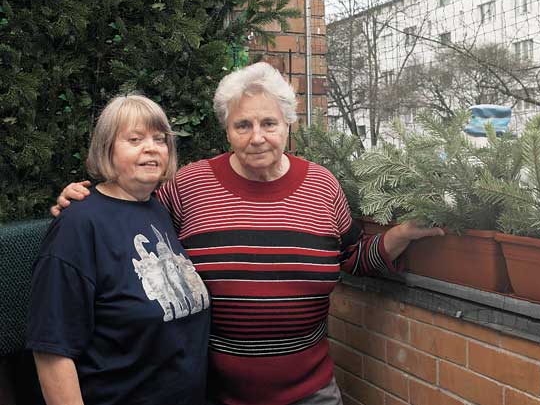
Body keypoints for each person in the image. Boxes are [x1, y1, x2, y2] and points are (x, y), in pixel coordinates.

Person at [53, 63, 445, 405]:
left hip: (310, 392)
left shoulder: (322, 186)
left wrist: (403, 234)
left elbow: (354, 257)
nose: (257, 136)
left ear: (288, 125)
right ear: (227, 130)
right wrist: (82, 197)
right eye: (243, 125)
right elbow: (129, 212)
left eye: (269, 123)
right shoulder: (188, 186)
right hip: (213, 392)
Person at [29, 95, 210, 405]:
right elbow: (51, 350)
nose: (151, 147)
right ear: (106, 149)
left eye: (159, 139)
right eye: (135, 139)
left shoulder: (155, 209)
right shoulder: (78, 225)